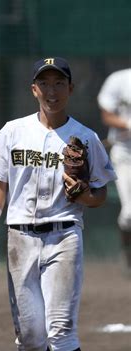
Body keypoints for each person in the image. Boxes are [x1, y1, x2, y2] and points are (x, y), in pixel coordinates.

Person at [0, 57, 116, 351]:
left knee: (61, 328)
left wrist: (86, 194)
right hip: (19, 237)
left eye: (59, 83)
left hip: (64, 235)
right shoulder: (12, 132)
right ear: (34, 89)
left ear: (70, 89)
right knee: (30, 336)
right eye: (45, 83)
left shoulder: (85, 137)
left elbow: (102, 193)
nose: (52, 90)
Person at [97, 68, 131, 275]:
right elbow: (107, 115)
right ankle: (128, 255)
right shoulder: (120, 79)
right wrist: (127, 123)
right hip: (125, 153)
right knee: (129, 215)